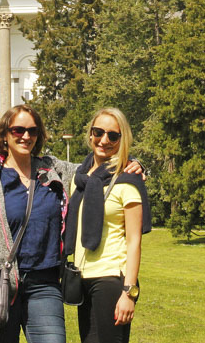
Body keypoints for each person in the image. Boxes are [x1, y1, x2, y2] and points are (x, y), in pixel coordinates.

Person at [0, 104, 142, 343]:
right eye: (18, 130)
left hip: (44, 285)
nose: (26, 136)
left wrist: (132, 163)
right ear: (4, 134)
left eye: (32, 131)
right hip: (0, 285)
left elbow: (96, 167)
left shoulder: (54, 170)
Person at [63, 108, 151, 343]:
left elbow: (134, 241)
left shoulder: (127, 180)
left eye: (113, 135)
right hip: (83, 277)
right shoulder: (79, 178)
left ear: (123, 139)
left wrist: (128, 293)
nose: (104, 140)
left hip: (111, 278)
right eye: (98, 132)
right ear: (90, 133)